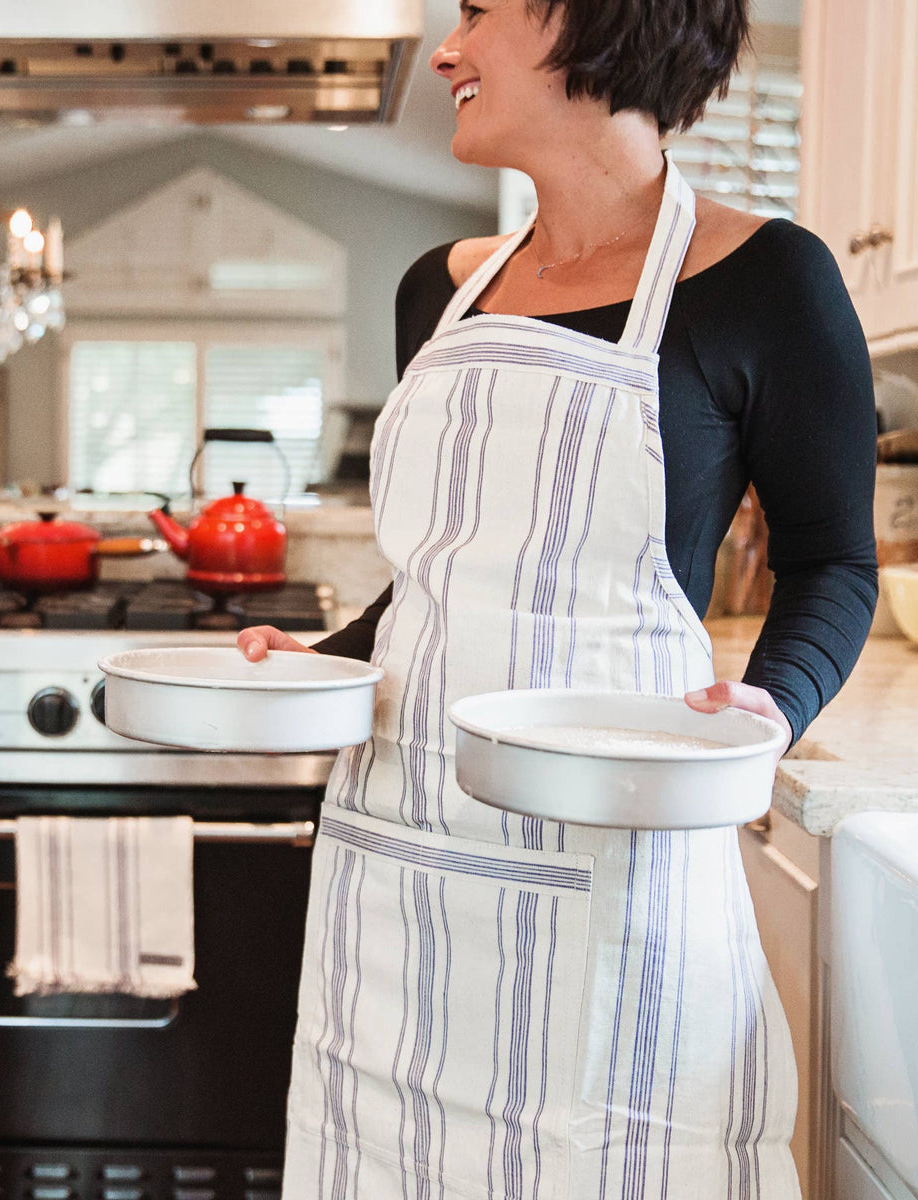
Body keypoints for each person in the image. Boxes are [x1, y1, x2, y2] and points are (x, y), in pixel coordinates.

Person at [238, 0, 878, 1195]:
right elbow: (444, 572)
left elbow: (835, 563)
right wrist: (318, 663)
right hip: (398, 875)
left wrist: (769, 706)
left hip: (618, 871)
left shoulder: (765, 281)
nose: (446, 50)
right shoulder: (437, 290)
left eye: (478, 11)